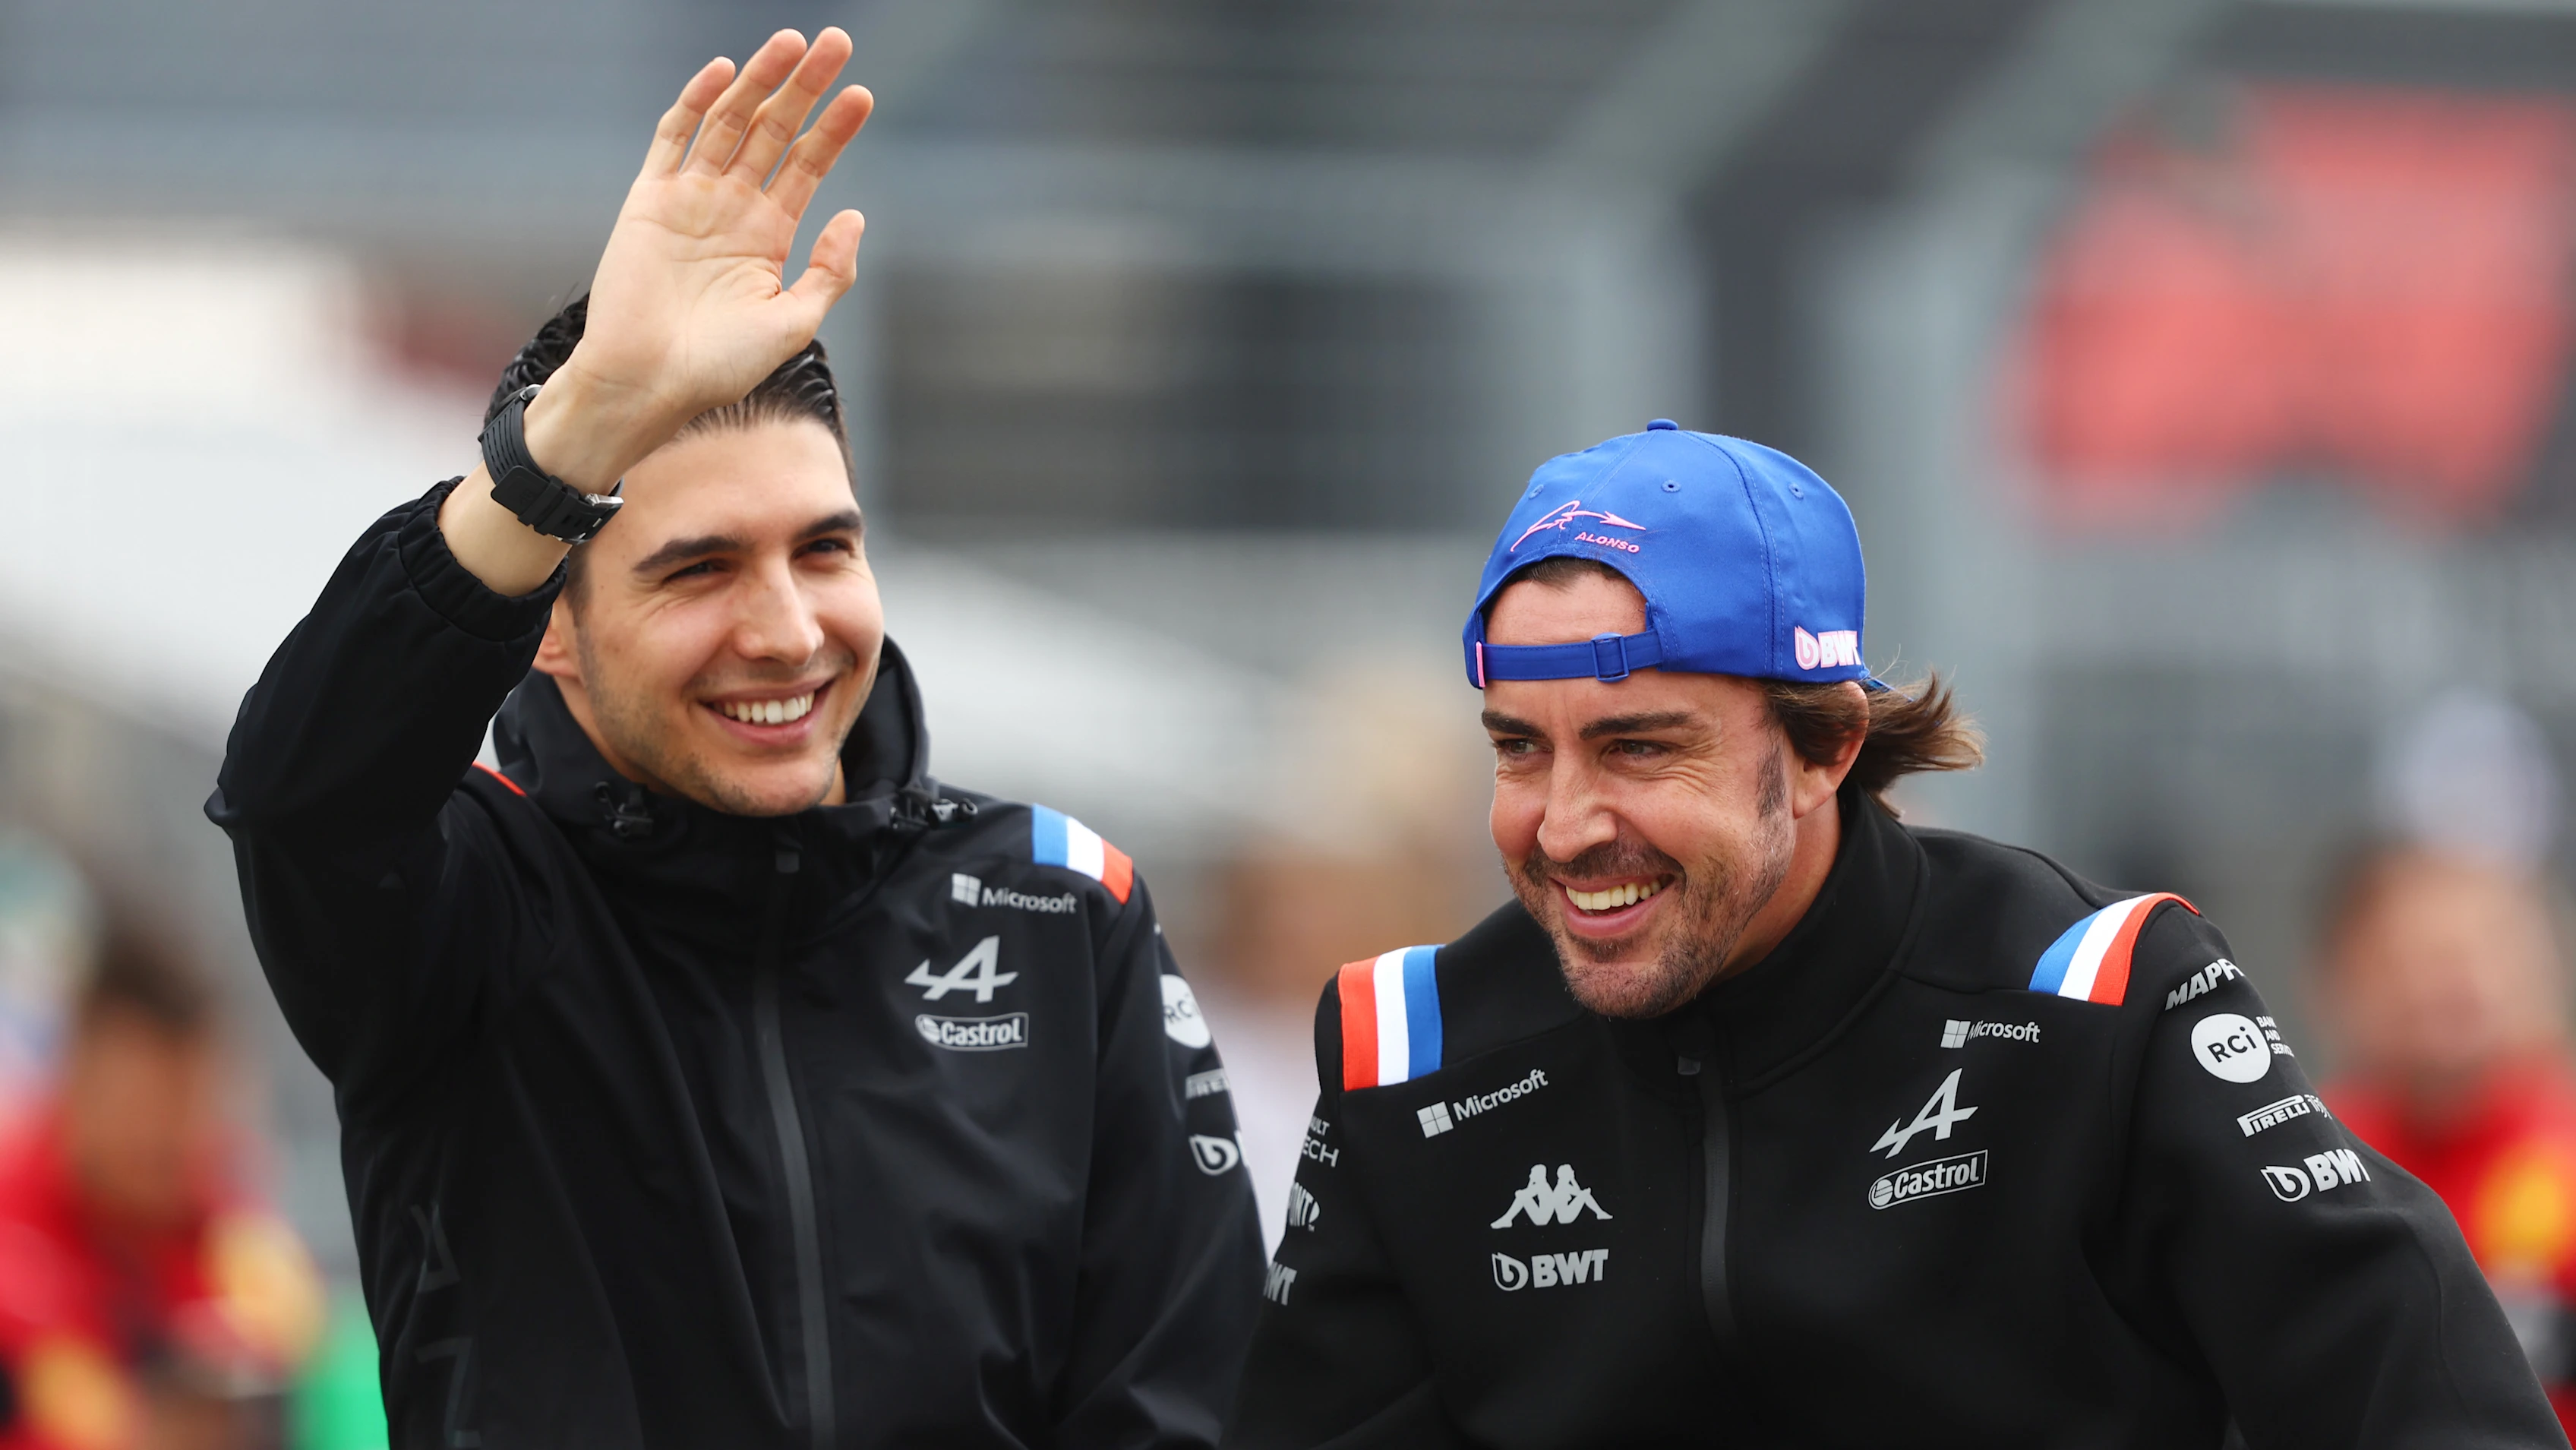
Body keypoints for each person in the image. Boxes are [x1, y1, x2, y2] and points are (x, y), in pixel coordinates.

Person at [207, 29, 1261, 1450]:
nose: (784, 628)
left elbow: (1179, 1401)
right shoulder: (467, 905)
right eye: (696, 569)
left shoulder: (1061, 910)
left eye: (823, 549)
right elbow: (298, 793)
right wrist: (571, 434)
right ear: (553, 629)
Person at [1222, 421, 2561, 1447]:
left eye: (1638, 747)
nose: (1565, 824)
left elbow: (2430, 1405)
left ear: (1824, 746)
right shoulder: (1413, 1055)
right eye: (1519, 749)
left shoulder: (2090, 996)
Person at [0, 920, 321, 1450]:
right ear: (78, 1076)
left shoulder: (238, 1246)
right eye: (138, 1105)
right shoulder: (14, 1238)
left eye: (187, 1108)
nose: (162, 1139)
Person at [2319, 845, 2576, 1426]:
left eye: (2475, 952)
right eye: (2406, 959)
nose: (2443, 985)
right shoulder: (2305, 1155)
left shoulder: (2564, 1154)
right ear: (2337, 980)